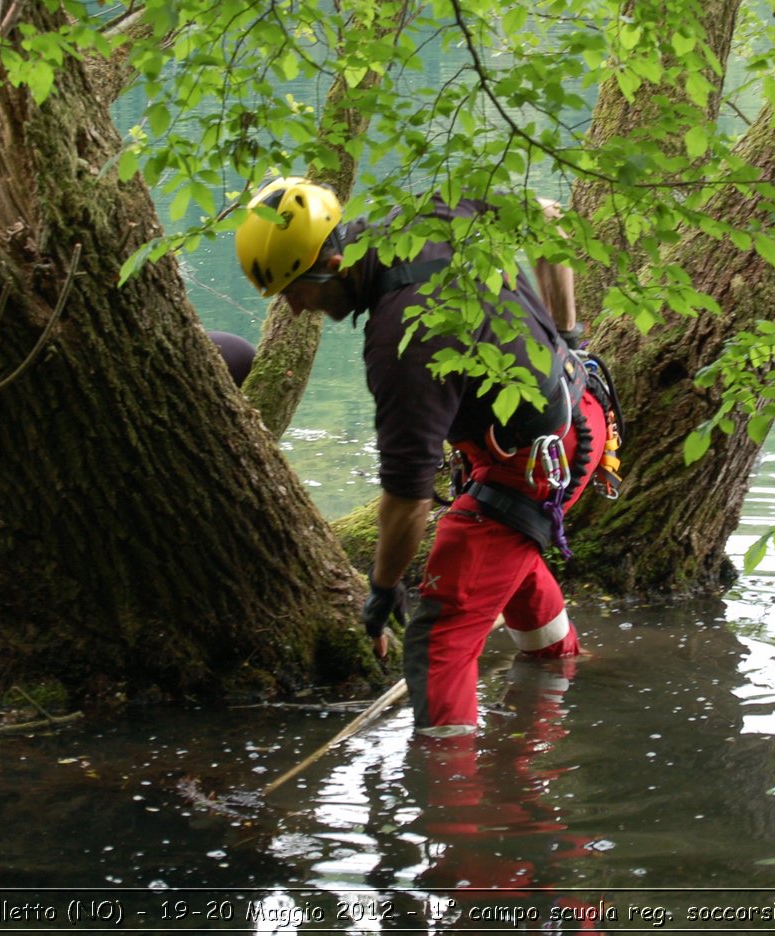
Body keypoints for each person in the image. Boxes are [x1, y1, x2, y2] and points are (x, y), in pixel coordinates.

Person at [234, 178, 618, 735]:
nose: (295, 310)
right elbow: (549, 217)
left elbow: (407, 500)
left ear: (336, 263)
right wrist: (568, 335)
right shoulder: (421, 214)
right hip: (574, 405)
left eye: (298, 291)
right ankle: (557, 675)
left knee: (437, 642)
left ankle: (451, 799)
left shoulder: (402, 342)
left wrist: (384, 587)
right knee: (499, 555)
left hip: (537, 464)